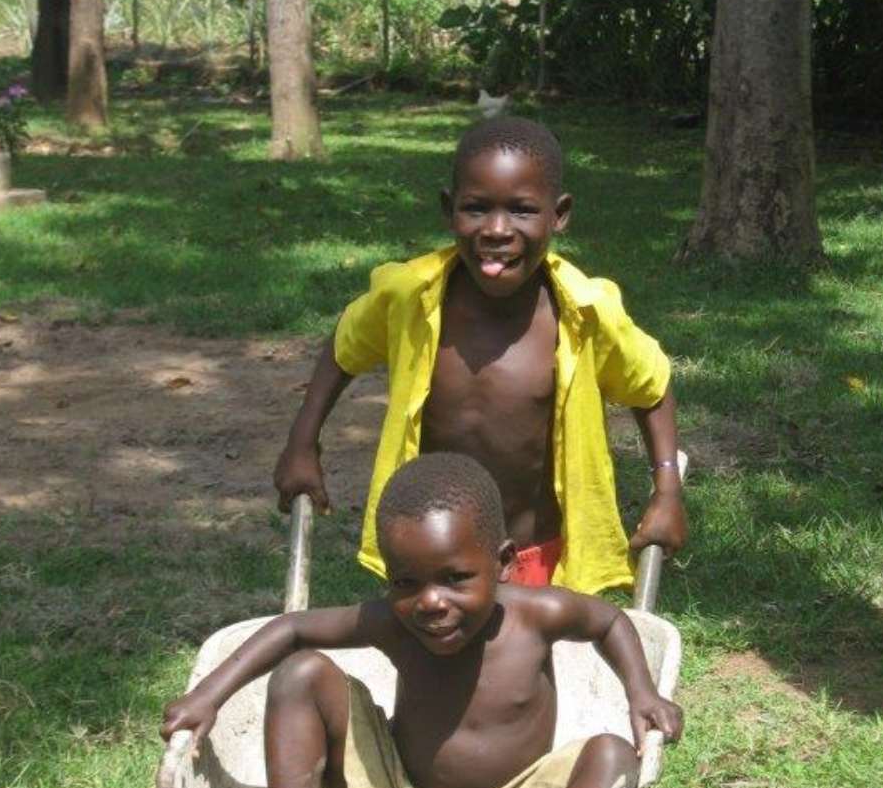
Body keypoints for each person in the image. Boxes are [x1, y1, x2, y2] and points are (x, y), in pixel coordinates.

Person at [161, 455, 682, 788]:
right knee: (301, 674)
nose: (430, 602)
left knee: (613, 755)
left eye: (455, 578)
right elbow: (292, 629)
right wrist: (207, 696)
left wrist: (642, 692)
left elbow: (609, 621)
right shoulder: (395, 623)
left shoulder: (536, 616)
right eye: (406, 583)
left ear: (503, 563)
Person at [272, 116, 686, 595]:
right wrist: (302, 443)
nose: (496, 230)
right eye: (476, 208)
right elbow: (344, 348)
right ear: (449, 209)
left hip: (538, 559)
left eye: (522, 210)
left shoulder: (586, 314)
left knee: (535, 647)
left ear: (559, 214)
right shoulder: (409, 297)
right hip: (433, 563)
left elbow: (651, 385)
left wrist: (667, 488)